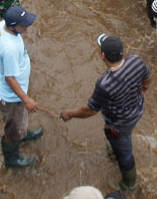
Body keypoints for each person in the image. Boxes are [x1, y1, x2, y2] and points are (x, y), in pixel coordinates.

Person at [60, 34, 150, 191]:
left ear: (103, 55)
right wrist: (142, 89)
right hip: (138, 110)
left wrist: (69, 114)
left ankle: (129, 184)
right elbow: (147, 78)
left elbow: (90, 110)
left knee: (124, 154)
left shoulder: (105, 84)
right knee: (118, 142)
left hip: (119, 124)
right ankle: (114, 147)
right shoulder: (136, 61)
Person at [0, 4, 39, 167]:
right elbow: (10, 79)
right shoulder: (9, 48)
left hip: (4, 87)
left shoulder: (0, 26)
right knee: (12, 127)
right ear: (13, 26)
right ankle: (12, 159)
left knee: (18, 120)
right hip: (9, 95)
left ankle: (22, 133)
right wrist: (26, 99)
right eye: (23, 23)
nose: (27, 25)